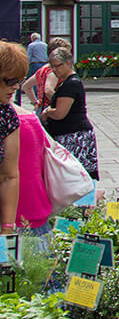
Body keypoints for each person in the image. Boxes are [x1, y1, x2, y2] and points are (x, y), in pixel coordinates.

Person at [40, 47, 98, 178]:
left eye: (57, 66)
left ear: (67, 63)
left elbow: (60, 113)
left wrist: (48, 112)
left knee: (74, 176)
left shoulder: (71, 84)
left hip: (74, 136)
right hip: (69, 133)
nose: (54, 70)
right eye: (52, 67)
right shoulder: (66, 83)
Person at [0, 43, 27, 234]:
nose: (16, 87)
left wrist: (7, 227)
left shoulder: (6, 115)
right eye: (9, 80)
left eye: (18, 80)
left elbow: (9, 175)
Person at [23, 37, 66, 113]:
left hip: (41, 108)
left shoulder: (43, 69)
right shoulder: (54, 71)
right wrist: (62, 104)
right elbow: (48, 90)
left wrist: (35, 102)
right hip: (50, 109)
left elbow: (26, 86)